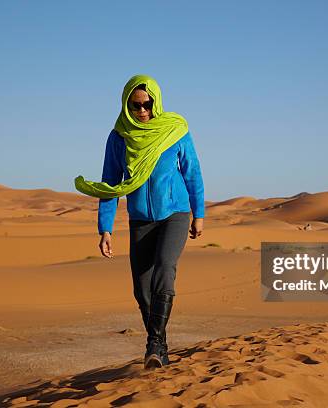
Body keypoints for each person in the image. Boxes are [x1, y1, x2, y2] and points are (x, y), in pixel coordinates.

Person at [74, 75, 205, 368]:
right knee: (141, 288)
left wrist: (199, 214)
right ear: (126, 105)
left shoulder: (176, 131)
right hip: (140, 220)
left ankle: (154, 344)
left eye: (147, 104)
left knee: (164, 269)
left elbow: (192, 173)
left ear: (156, 103)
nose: (142, 111)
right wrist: (105, 228)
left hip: (176, 214)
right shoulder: (118, 137)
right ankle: (161, 344)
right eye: (136, 106)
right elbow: (111, 184)